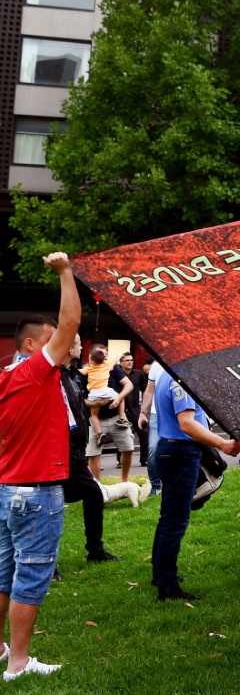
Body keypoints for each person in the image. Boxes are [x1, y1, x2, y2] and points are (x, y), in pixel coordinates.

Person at [0, 253, 80, 680]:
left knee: (3, 572)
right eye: (50, 342)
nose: (64, 347)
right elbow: (68, 325)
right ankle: (18, 663)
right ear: (31, 346)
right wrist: (66, 273)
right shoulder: (33, 372)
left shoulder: (5, 379)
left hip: (8, 488)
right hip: (35, 492)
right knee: (30, 576)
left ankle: (1, 648)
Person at [151, 370, 240, 601]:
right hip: (180, 453)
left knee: (168, 518)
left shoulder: (165, 374)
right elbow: (186, 424)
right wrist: (222, 443)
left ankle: (161, 576)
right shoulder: (179, 377)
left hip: (171, 450)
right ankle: (168, 588)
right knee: (175, 521)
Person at [60, 335, 118, 564]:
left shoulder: (72, 375)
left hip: (75, 452)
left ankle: (96, 552)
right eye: (77, 342)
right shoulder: (54, 376)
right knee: (50, 505)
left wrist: (93, 404)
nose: (81, 346)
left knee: (93, 493)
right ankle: (45, 562)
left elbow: (76, 405)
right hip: (58, 453)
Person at [83, 355, 133, 483]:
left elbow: (128, 385)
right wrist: (94, 404)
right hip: (97, 418)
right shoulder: (87, 372)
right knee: (93, 453)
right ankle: (97, 485)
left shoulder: (114, 369)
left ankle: (124, 481)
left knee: (128, 448)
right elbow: (79, 397)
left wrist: (118, 398)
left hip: (115, 416)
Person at [80, 345, 129, 442]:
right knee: (121, 397)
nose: (105, 356)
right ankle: (122, 418)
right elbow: (115, 360)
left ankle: (99, 434)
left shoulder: (89, 369)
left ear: (91, 359)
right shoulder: (107, 366)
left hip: (93, 393)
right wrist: (120, 355)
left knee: (94, 415)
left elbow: (79, 371)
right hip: (106, 391)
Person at [137, 361, 163, 496]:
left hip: (179, 414)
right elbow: (149, 390)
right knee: (153, 448)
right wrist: (142, 413)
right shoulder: (156, 367)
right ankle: (155, 485)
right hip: (157, 415)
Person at [119, 353, 148, 468]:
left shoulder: (139, 374)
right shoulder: (118, 374)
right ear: (121, 363)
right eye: (126, 360)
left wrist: (143, 410)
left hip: (136, 409)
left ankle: (144, 459)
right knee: (122, 435)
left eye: (131, 360)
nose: (129, 362)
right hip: (121, 409)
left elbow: (145, 390)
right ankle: (120, 459)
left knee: (144, 433)